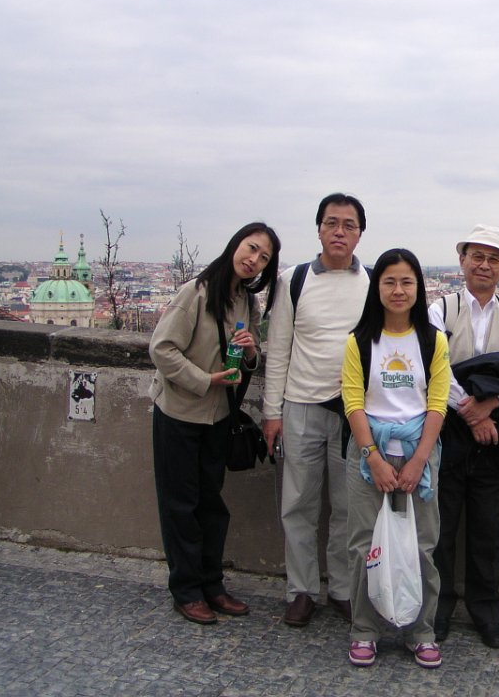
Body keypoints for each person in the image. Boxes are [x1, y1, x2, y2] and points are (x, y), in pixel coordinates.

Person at [149, 222, 281, 625]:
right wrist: (204, 380)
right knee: (181, 504)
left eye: (263, 257)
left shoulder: (246, 301)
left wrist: (251, 351)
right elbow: (162, 348)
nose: (254, 259)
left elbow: (247, 360)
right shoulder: (196, 292)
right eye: (251, 248)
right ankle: (187, 590)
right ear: (235, 244)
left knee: (211, 502)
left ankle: (212, 584)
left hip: (218, 416)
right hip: (180, 413)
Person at [263, 193, 371, 627]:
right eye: (331, 223)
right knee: (298, 505)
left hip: (352, 413)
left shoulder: (372, 283)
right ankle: (302, 590)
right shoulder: (294, 280)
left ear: (360, 234)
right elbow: (278, 349)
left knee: (348, 508)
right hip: (301, 406)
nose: (339, 231)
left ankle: (342, 589)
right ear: (319, 229)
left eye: (349, 224)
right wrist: (272, 413)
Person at [429, 224, 499, 649]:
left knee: (488, 530)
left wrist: (489, 405)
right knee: (440, 527)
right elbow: (433, 365)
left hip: (494, 427)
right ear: (462, 261)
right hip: (449, 427)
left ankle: (486, 611)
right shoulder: (440, 309)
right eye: (477, 256)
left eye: (493, 259)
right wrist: (472, 411)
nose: (485, 265)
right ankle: (437, 609)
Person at [342, 248, 450, 669]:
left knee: (421, 546)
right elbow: (353, 401)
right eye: (389, 281)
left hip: (419, 450)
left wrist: (420, 460)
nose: (399, 290)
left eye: (407, 281)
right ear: (377, 288)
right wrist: (372, 457)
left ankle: (421, 631)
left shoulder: (433, 340)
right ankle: (364, 629)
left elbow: (437, 404)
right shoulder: (359, 341)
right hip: (370, 449)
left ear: (419, 287)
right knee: (364, 546)